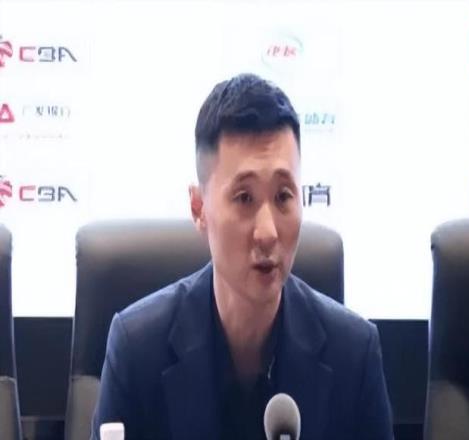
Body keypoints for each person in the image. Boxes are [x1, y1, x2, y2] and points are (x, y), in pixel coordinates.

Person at [91, 73, 393, 439]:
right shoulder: (138, 350)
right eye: (244, 198)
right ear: (199, 207)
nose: (268, 232)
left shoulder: (354, 355)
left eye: (283, 196)